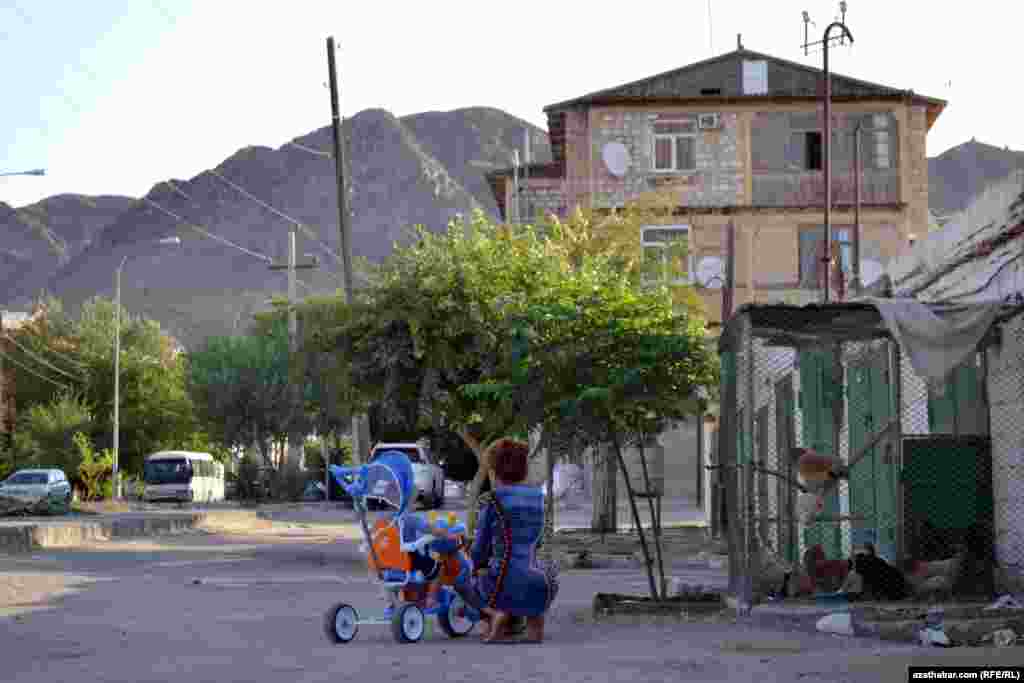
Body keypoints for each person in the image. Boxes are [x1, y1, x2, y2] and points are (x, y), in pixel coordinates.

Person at [458, 438, 560, 643]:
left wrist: (474, 564)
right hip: (544, 581)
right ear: (524, 469)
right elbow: (543, 542)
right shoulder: (540, 498)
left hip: (502, 583)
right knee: (531, 569)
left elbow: (480, 549)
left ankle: (496, 615)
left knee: (463, 578)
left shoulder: (492, 500)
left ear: (494, 470)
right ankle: (534, 620)